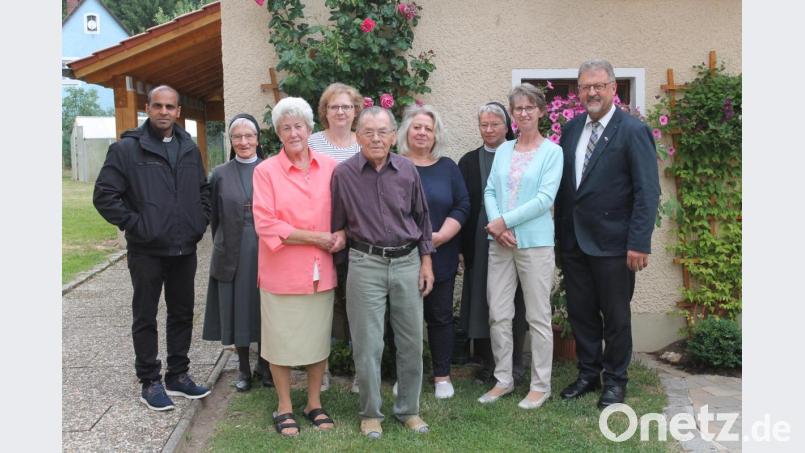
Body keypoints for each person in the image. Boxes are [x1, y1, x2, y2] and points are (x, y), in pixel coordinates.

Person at [93, 85, 212, 411]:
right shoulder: (127, 149)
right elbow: (104, 196)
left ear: (177, 112)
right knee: (145, 315)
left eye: (170, 107)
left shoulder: (189, 147)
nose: (164, 111)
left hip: (183, 248)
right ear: (148, 108)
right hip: (146, 251)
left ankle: (178, 375)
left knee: (182, 312)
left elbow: (203, 192)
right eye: (157, 106)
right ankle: (149, 380)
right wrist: (137, 225)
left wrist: (198, 223)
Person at [555, 59, 660, 409]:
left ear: (614, 88)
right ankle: (588, 374)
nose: (592, 92)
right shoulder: (570, 131)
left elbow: (648, 191)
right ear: (579, 91)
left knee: (615, 317)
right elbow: (567, 189)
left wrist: (639, 242)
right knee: (581, 312)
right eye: (586, 86)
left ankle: (615, 381)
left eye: (599, 85)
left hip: (615, 244)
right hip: (574, 242)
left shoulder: (632, 131)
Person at [331, 106, 435, 439]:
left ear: (393, 135)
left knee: (410, 342)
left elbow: (422, 220)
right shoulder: (343, 175)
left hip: (407, 263)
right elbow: (337, 226)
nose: (376, 138)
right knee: (368, 344)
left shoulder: (407, 170)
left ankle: (408, 410)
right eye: (368, 132)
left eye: (383, 132)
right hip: (365, 263)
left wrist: (426, 261)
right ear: (357, 135)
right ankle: (370, 413)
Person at [252, 97, 343, 436]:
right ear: (278, 133)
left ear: (310, 129)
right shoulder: (265, 172)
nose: (293, 133)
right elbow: (266, 224)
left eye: (299, 126)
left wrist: (342, 235)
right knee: (280, 342)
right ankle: (285, 405)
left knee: (318, 340)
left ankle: (314, 402)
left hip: (321, 270)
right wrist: (317, 238)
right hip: (281, 272)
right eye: (286, 128)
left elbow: (344, 214)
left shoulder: (330, 168)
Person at [479, 84, 563, 410]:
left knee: (538, 317)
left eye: (530, 107)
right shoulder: (504, 150)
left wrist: (505, 221)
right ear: (512, 114)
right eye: (518, 109)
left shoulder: (552, 152)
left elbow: (545, 199)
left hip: (535, 244)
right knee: (499, 314)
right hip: (499, 242)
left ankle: (541, 386)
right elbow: (489, 190)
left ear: (541, 111)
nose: (523, 113)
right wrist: (496, 224)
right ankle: (504, 380)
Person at [398, 104, 469, 399]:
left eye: (428, 128)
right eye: (417, 127)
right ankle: (406, 376)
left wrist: (442, 236)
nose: (422, 133)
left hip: (442, 253)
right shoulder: (394, 165)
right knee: (402, 320)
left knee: (439, 317)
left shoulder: (448, 167)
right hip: (401, 256)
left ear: (435, 134)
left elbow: (462, 205)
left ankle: (442, 376)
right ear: (406, 132)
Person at [458, 102, 529, 386]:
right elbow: (463, 206)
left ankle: (514, 364)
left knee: (515, 302)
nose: (488, 130)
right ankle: (489, 363)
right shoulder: (468, 162)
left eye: (494, 125)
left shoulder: (521, 155)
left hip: (514, 238)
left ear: (507, 126)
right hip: (479, 242)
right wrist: (463, 249)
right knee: (484, 301)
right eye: (483, 125)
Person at [202, 113, 273, 392]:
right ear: (231, 140)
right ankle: (243, 368)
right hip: (232, 248)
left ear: (258, 139)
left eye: (249, 136)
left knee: (265, 307)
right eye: (237, 136)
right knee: (239, 308)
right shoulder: (219, 174)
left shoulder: (271, 169)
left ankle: (265, 365)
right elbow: (214, 218)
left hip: (266, 248)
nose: (244, 141)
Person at [307, 82, 363, 393]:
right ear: (324, 112)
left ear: (356, 111)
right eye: (334, 106)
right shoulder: (313, 143)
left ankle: (360, 372)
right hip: (320, 236)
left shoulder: (364, 142)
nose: (340, 111)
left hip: (358, 236)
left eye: (346, 106)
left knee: (358, 304)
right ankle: (321, 371)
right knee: (321, 305)